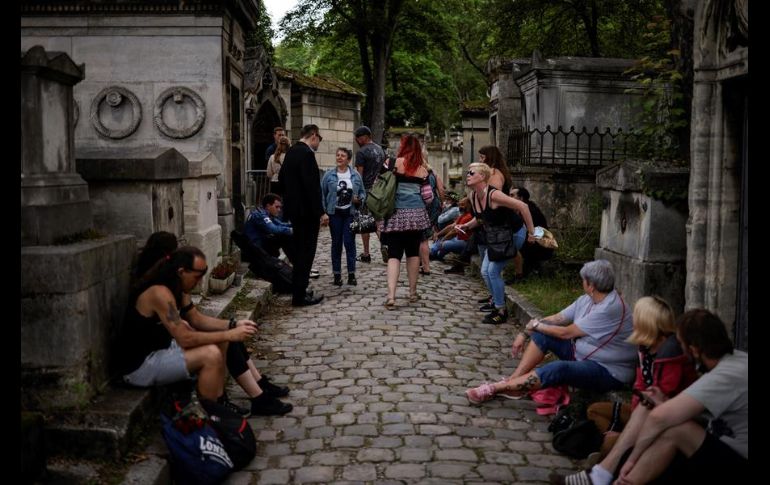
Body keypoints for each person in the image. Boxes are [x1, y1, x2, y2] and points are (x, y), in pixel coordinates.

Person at [120, 246, 292, 416]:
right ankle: (210, 417)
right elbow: (184, 338)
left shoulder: (178, 287)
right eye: (197, 277)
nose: (199, 282)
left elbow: (196, 319)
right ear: (181, 272)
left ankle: (220, 401)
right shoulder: (160, 293)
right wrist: (229, 333)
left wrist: (233, 325)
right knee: (210, 354)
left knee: (222, 340)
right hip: (140, 366)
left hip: (164, 349)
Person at [553, 296, 698, 485]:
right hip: (643, 411)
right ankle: (614, 446)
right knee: (595, 410)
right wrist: (632, 421)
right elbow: (640, 387)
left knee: (609, 443)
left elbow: (663, 397)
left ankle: (603, 467)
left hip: (666, 417)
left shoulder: (670, 351)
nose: (633, 322)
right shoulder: (645, 348)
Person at [466, 259, 637, 403]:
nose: (581, 283)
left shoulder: (609, 308)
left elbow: (566, 333)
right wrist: (526, 332)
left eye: (583, 280)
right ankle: (514, 382)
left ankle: (497, 387)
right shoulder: (588, 299)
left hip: (607, 370)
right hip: (583, 354)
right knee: (542, 335)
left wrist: (536, 325)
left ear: (591, 285)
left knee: (559, 368)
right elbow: (557, 318)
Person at [609, 309, 748, 485]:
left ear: (694, 350)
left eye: (681, 345)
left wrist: (631, 461)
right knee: (663, 426)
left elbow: (659, 418)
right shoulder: (735, 360)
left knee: (676, 431)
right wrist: (665, 404)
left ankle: (621, 479)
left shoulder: (725, 375)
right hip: (722, 449)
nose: (680, 350)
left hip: (738, 462)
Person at [456, 162, 536, 324]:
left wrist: (531, 233)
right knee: (485, 271)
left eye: (472, 173)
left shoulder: (494, 195)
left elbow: (523, 207)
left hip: (514, 234)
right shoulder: (474, 196)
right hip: (497, 237)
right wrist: (467, 225)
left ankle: (501, 310)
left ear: (482, 177)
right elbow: (481, 218)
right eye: (468, 172)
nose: (468, 175)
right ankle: (496, 302)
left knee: (493, 271)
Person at [379, 134, 432, 309]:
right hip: (416, 218)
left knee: (394, 255)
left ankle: (391, 296)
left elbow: (380, 184)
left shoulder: (390, 163)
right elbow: (428, 197)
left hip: (394, 215)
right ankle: (412, 292)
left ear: (402, 147)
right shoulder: (422, 170)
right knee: (413, 254)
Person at [278, 124, 326, 307]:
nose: (318, 143)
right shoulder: (306, 154)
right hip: (306, 213)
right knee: (306, 254)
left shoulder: (291, 152)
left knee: (300, 253)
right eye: (319, 139)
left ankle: (300, 289)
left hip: (294, 212)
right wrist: (320, 212)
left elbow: (281, 180)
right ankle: (299, 296)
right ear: (313, 135)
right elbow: (312, 187)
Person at [321, 147, 366, 287]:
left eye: (343, 156)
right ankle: (337, 274)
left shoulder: (355, 175)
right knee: (336, 243)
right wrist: (323, 213)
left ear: (348, 159)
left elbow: (363, 193)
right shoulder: (329, 175)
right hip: (334, 213)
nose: (339, 157)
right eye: (338, 155)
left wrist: (359, 199)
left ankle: (351, 274)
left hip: (349, 214)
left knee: (349, 242)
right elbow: (322, 194)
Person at [354, 125, 386, 263]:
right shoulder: (380, 150)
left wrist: (356, 193)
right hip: (380, 191)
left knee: (365, 222)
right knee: (379, 221)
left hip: (366, 191)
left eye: (357, 138)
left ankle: (366, 254)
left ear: (363, 137)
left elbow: (359, 176)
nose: (356, 141)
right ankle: (385, 245)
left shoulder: (361, 152)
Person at [510, 186, 554, 280]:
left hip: (539, 245)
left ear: (521, 198)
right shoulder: (522, 208)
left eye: (512, 195)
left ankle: (520, 276)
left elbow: (534, 232)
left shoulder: (530, 210)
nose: (509, 197)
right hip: (532, 241)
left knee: (512, 245)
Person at [244, 193, 295, 262]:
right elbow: (273, 229)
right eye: (277, 207)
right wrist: (290, 230)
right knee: (284, 236)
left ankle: (296, 262)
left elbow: (280, 224)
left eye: (280, 207)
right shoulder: (260, 215)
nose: (279, 210)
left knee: (284, 235)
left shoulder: (267, 214)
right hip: (255, 247)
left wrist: (296, 226)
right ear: (268, 206)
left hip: (261, 244)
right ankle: (297, 263)